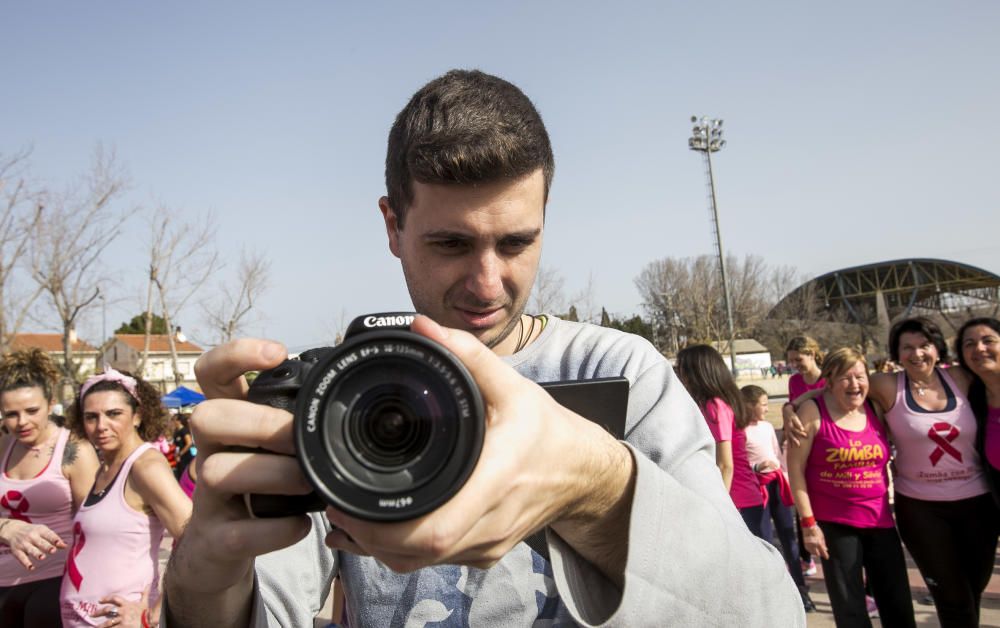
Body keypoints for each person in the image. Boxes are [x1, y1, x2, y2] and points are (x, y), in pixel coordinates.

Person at [161, 69, 803, 627]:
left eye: (518, 243)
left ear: (547, 214)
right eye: (452, 245)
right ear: (393, 226)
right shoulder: (337, 392)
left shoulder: (619, 372)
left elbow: (769, 614)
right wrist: (205, 576)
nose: (488, 284)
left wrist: (596, 487)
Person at [787, 318, 997, 627]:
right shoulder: (887, 386)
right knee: (951, 597)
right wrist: (792, 406)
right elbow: (841, 380)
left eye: (924, 345)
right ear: (897, 354)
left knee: (968, 592)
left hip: (974, 504)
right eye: (907, 348)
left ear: (937, 348)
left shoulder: (961, 378)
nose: (917, 354)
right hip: (920, 508)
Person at [786, 347, 915, 627]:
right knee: (851, 611)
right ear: (829, 381)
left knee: (898, 605)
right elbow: (794, 469)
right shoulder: (812, 411)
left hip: (880, 520)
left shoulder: (875, 408)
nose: (854, 384)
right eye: (845, 377)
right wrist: (808, 524)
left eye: (860, 376)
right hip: (835, 525)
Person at [60, 368, 192, 627]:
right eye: (91, 417)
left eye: (113, 414)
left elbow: (197, 541)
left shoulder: (145, 466)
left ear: (137, 415)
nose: (101, 426)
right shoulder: (104, 467)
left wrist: (153, 613)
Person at [0, 349, 100, 628]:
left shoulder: (73, 450)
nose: (22, 422)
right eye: (11, 414)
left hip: (54, 582)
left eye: (32, 411)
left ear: (51, 403)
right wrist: (5, 528)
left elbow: (94, 526)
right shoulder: (2, 446)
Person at [675, 345, 765, 536]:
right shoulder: (710, 403)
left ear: (698, 373)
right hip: (736, 498)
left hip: (737, 500)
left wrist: (719, 507)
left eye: (683, 370)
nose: (680, 377)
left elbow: (725, 464)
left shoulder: (715, 406)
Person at [740, 384, 814, 612]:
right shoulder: (740, 430)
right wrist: (756, 466)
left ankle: (801, 590)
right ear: (750, 406)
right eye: (762, 404)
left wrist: (786, 476)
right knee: (764, 539)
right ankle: (772, 591)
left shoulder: (767, 426)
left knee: (788, 536)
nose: (766, 408)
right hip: (757, 490)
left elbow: (778, 455)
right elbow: (741, 462)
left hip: (777, 486)